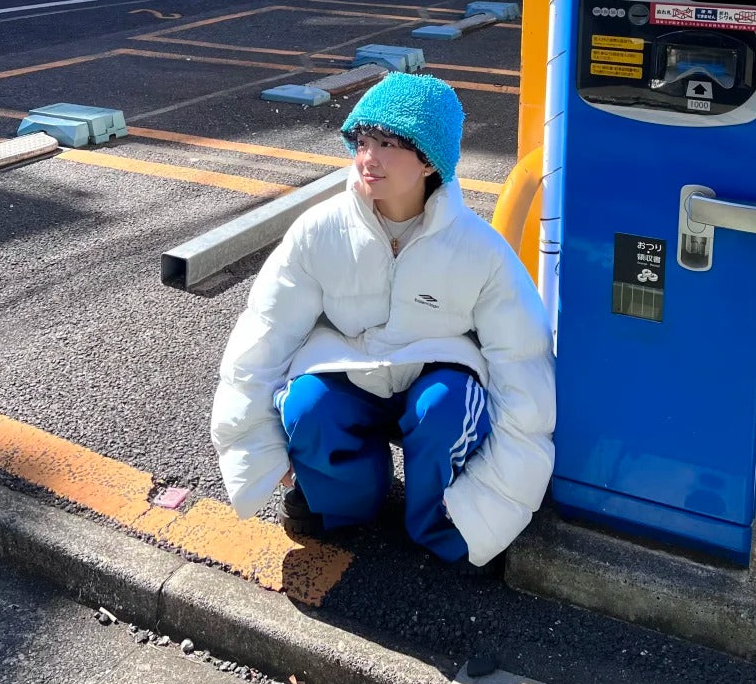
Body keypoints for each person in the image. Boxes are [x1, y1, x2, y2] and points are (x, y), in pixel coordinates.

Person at [210, 72, 555, 569]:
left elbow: (522, 366)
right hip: (354, 370)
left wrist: (496, 501)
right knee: (309, 407)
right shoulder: (320, 230)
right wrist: (259, 446)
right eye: (363, 140)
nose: (370, 156)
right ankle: (341, 505)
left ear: (429, 160)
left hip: (434, 378)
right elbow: (266, 333)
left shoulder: (479, 250)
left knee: (445, 409)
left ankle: (440, 520)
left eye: (390, 143)